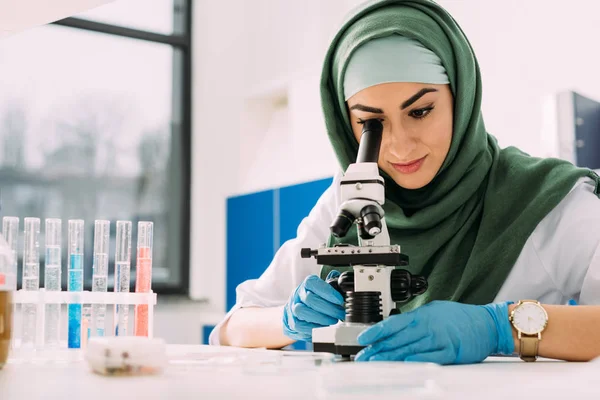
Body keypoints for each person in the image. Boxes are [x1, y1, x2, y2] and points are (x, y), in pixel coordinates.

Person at [210, 0, 600, 364]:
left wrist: (501, 327)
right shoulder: (350, 199)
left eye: (421, 111)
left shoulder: (545, 199)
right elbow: (230, 330)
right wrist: (286, 321)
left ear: (460, 99)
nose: (398, 147)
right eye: (370, 124)